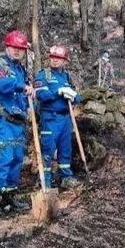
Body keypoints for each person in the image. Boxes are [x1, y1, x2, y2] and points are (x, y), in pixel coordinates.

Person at [0, 30, 35, 217]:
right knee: (3, 158)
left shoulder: (21, 70)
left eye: (21, 49)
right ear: (7, 47)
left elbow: (23, 97)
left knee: (16, 159)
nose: (17, 51)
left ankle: (9, 197)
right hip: (0, 121)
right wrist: (22, 86)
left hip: (18, 123)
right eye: (14, 47)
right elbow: (4, 86)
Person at [34, 44, 82, 189]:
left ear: (65, 60)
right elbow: (40, 94)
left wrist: (73, 96)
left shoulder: (67, 77)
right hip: (50, 117)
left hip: (65, 118)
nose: (55, 60)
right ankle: (44, 181)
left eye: (58, 58)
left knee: (65, 149)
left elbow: (77, 97)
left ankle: (65, 177)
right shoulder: (44, 75)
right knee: (48, 150)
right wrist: (57, 93)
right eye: (53, 57)